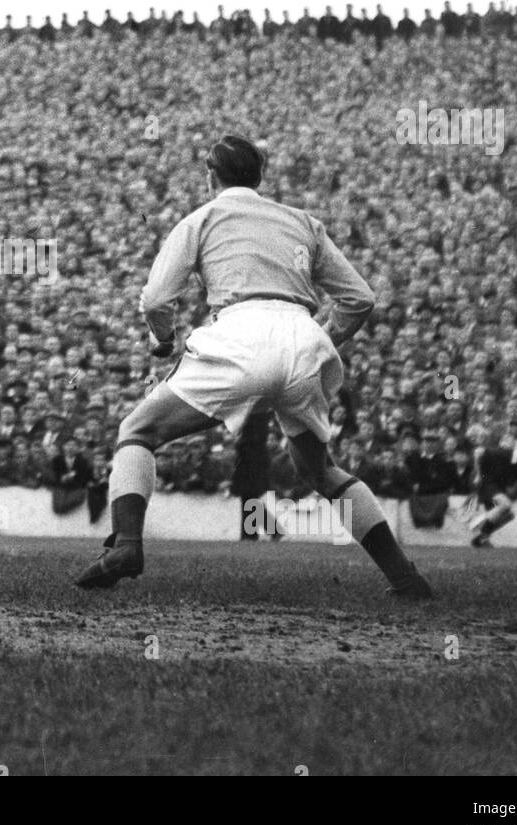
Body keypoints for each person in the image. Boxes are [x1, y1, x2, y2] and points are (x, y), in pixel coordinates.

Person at [74, 134, 433, 598]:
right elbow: (360, 298)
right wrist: (326, 336)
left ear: (211, 175)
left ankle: (125, 545)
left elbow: (157, 298)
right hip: (304, 339)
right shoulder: (303, 221)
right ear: (259, 176)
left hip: (240, 334)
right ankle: (404, 576)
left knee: (139, 431)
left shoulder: (201, 218)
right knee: (320, 470)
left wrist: (163, 340)